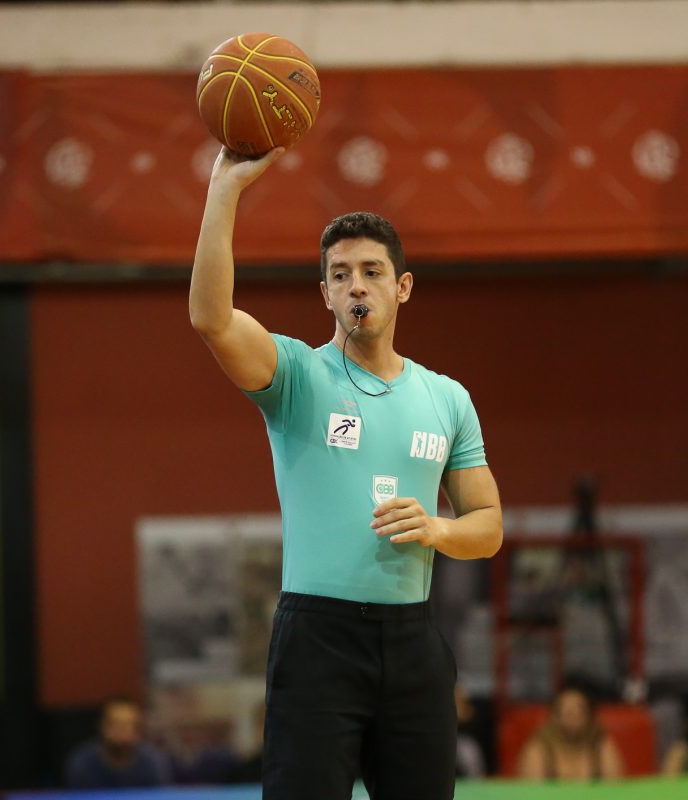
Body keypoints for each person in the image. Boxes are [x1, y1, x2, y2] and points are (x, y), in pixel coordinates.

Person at [189, 147, 504, 800]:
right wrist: (224, 189)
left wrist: (439, 530)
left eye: (370, 271)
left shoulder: (447, 398)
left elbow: (488, 526)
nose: (356, 285)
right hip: (318, 642)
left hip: (413, 643)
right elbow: (210, 318)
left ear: (402, 286)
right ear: (325, 293)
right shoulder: (297, 375)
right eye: (341, 274)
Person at [517, 685, 623, 781]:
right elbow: (533, 791)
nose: (572, 717)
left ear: (590, 716)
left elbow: (614, 788)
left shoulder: (600, 745)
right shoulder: (540, 747)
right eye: (566, 712)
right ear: (553, 717)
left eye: (578, 711)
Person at [63, 697, 172, 789]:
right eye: (115, 724)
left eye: (128, 725)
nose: (121, 731)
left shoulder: (153, 763)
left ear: (138, 730)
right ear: (101, 726)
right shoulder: (82, 764)